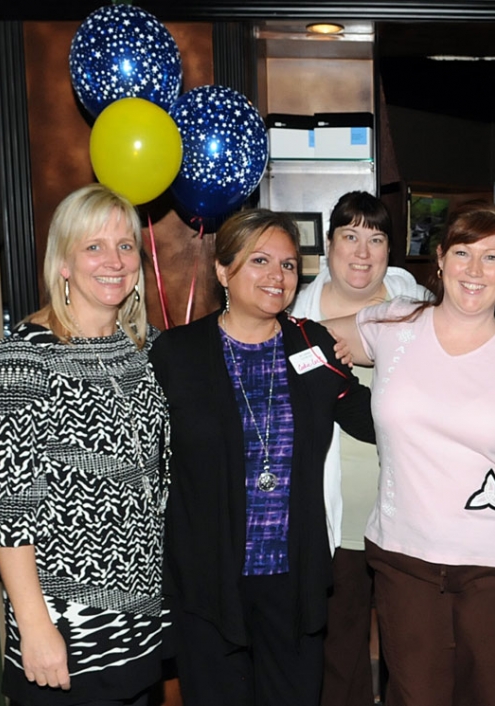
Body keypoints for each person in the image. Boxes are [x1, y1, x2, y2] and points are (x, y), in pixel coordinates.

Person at [149, 209, 375, 706]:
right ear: (222, 270)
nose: (278, 276)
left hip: (293, 580)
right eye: (260, 261)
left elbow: (370, 417)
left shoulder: (311, 342)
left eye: (290, 265)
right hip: (209, 581)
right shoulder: (176, 355)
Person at [327, 200, 495, 706]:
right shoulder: (395, 323)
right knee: (413, 696)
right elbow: (305, 338)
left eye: (492, 257)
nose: (474, 270)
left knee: (491, 696)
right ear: (439, 258)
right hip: (405, 560)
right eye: (463, 252)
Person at [0, 184, 169, 706]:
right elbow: (9, 506)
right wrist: (35, 629)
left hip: (141, 622)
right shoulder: (24, 357)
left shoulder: (143, 351)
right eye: (93, 246)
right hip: (67, 629)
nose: (113, 261)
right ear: (63, 262)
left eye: (125, 246)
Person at [289, 191, 429, 706]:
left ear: (391, 250)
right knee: (339, 644)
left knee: (409, 646)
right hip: (336, 512)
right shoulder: (292, 310)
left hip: (406, 509)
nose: (362, 252)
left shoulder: (414, 307)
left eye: (376, 238)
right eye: (350, 236)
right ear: (328, 246)